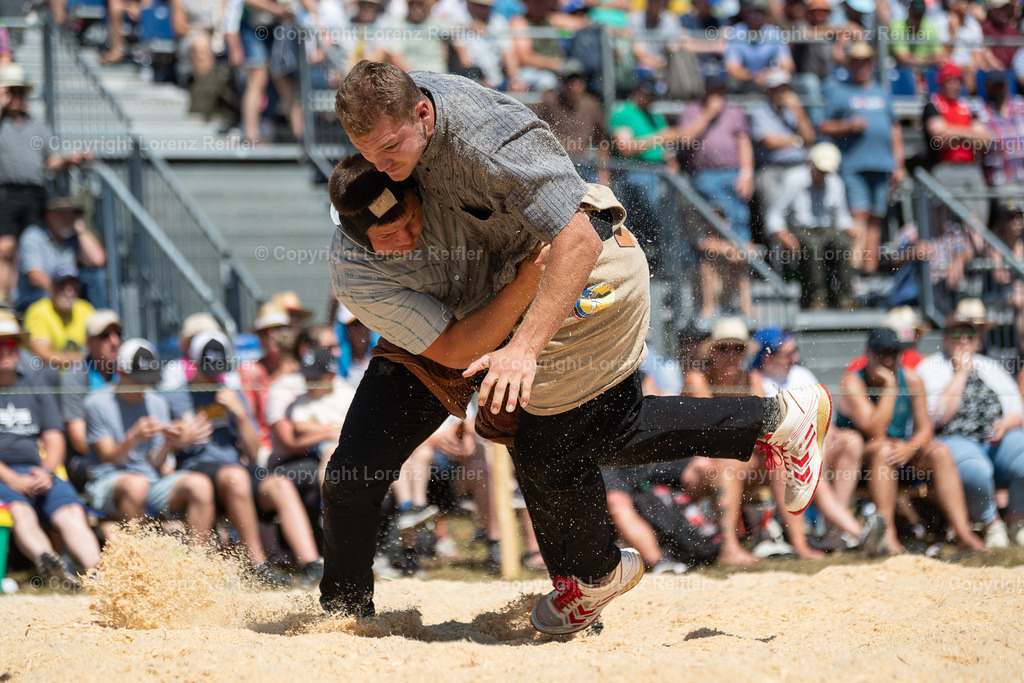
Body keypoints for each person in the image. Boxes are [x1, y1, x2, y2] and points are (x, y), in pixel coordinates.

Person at [328, 64, 830, 635]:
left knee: (568, 430)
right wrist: (513, 322)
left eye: (391, 150)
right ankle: (346, 618)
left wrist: (523, 347)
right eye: (368, 153)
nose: (383, 164)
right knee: (357, 468)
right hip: (475, 312)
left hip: (580, 267)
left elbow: (578, 238)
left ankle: (595, 574)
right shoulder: (369, 224)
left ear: (422, 113)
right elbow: (450, 349)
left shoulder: (487, 141)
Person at [175, 331, 322, 587]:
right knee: (236, 477)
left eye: (219, 366)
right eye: (209, 365)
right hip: (198, 471)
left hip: (237, 468)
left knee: (280, 484)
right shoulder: (175, 396)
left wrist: (241, 415)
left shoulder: (232, 393)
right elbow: (163, 454)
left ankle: (311, 565)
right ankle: (258, 565)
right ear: (194, 362)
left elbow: (254, 452)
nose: (214, 373)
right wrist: (180, 438)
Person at [837, 328, 988, 554]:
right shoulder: (853, 383)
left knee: (940, 453)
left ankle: (963, 532)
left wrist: (912, 447)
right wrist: (889, 387)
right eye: (882, 353)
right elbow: (874, 432)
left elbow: (925, 428)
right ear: (868, 353)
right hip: (861, 460)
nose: (889, 359)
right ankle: (887, 535)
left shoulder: (912, 379)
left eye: (894, 353)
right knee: (882, 450)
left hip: (899, 451)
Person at [0, 316, 101, 589]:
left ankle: (98, 575)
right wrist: (11, 478)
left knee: (70, 510)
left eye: (10, 343)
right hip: (3, 477)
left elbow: (55, 437)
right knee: (20, 511)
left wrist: (46, 471)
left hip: (38, 471)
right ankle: (53, 565)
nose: (5, 349)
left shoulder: (35, 385)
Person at [83, 338, 217, 540]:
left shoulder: (157, 402)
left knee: (201, 484)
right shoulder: (96, 402)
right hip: (107, 482)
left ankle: (197, 563)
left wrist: (171, 444)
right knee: (136, 485)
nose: (143, 385)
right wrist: (133, 438)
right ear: (120, 372)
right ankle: (139, 563)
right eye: (138, 379)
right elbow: (108, 459)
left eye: (147, 379)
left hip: (149, 479)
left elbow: (155, 463)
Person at [920, 309, 1024, 548]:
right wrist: (962, 373)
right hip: (955, 438)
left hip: (997, 438)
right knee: (975, 468)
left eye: (969, 332)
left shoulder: (991, 366)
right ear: (946, 337)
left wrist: (1005, 424)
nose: (964, 339)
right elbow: (937, 416)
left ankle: (1017, 520)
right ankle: (990, 522)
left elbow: (1017, 411)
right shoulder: (931, 368)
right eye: (956, 333)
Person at [0, 66, 93, 304]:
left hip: (34, 193)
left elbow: (51, 161)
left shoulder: (37, 126)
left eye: (20, 92)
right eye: (12, 91)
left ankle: (23, 297)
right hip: (6, 192)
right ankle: (4, 300)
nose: (16, 98)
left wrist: (70, 160)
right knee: (6, 248)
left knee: (29, 244)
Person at [821, 41, 906, 275]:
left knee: (876, 217)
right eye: (857, 62)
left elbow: (895, 130)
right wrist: (846, 126)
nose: (862, 66)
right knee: (858, 215)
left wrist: (899, 164)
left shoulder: (881, 93)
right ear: (850, 65)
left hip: (882, 165)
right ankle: (854, 272)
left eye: (865, 61)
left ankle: (869, 270)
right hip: (854, 165)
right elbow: (824, 125)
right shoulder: (839, 93)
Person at [765, 142, 856, 310]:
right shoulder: (793, 179)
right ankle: (817, 297)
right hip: (800, 229)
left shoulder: (835, 182)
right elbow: (775, 215)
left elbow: (842, 216)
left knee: (843, 243)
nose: (822, 175)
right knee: (813, 246)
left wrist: (850, 229)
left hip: (827, 228)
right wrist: (784, 235)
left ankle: (845, 297)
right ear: (810, 164)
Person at [923, 62, 992, 228]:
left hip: (970, 168)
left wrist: (956, 134)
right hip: (945, 168)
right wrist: (969, 134)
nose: (954, 85)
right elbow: (939, 137)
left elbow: (985, 140)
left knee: (979, 219)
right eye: (949, 81)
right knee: (949, 221)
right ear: (941, 83)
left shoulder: (967, 107)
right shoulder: (933, 105)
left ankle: (976, 251)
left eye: (957, 81)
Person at [16, 196, 107, 312]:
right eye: (62, 214)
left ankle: (102, 324)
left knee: (95, 276)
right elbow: (35, 277)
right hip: (36, 295)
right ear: (48, 215)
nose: (68, 219)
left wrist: (81, 229)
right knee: (44, 297)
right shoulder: (33, 236)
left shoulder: (73, 237)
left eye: (73, 214)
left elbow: (98, 260)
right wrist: (62, 292)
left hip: (68, 291)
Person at [531, 60, 612, 186]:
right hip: (553, 165)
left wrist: (603, 175)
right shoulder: (550, 100)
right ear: (562, 82)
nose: (574, 84)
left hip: (583, 166)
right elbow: (529, 121)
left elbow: (603, 140)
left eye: (578, 79)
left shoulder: (591, 105)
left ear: (584, 82)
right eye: (569, 79)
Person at [22, 265, 94, 369]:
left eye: (73, 286)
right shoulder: (38, 311)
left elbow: (100, 347)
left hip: (82, 375)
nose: (69, 292)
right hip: (48, 379)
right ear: (51, 288)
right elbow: (42, 354)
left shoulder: (86, 309)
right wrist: (81, 358)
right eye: (62, 285)